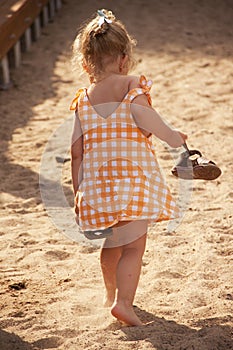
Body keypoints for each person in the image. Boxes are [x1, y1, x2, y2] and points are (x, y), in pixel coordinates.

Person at [70, 9, 187, 326]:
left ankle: (110, 295)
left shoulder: (82, 100)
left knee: (113, 242)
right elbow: (149, 120)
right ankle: (123, 303)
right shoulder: (132, 87)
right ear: (124, 59)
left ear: (85, 63)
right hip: (132, 183)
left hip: (98, 187)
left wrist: (79, 188)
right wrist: (173, 138)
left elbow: (76, 151)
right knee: (134, 246)